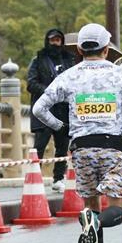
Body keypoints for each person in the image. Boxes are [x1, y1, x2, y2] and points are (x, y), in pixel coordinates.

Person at [32, 23, 122, 243]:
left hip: (81, 146)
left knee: (91, 205)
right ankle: (97, 226)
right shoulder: (121, 75)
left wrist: (62, 128)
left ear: (80, 49)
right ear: (107, 49)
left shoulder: (69, 75)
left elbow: (39, 109)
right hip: (114, 145)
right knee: (120, 209)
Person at [27, 29, 76, 191]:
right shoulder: (38, 60)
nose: (55, 43)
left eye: (58, 40)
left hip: (63, 109)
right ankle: (34, 177)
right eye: (52, 40)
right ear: (47, 41)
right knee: (40, 144)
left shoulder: (70, 60)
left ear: (62, 41)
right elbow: (31, 83)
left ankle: (58, 178)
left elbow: (76, 82)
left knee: (62, 146)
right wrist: (49, 91)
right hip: (45, 109)